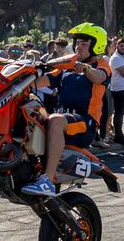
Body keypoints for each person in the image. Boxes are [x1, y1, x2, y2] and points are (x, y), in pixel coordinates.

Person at [23, 24, 111, 198]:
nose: (78, 46)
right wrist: (19, 81)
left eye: (84, 43)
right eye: (77, 42)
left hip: (85, 123)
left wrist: (85, 69)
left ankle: (47, 180)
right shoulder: (67, 68)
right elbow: (42, 81)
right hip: (64, 120)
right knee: (28, 112)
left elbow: (99, 77)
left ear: (96, 45)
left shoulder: (101, 65)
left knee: (55, 119)